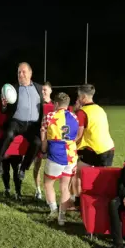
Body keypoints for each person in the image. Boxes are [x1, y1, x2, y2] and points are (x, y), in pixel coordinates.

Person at [0, 62, 44, 181]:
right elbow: (3, 109)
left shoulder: (39, 88)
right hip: (16, 122)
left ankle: (23, 167)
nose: (21, 74)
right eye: (19, 72)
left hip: (32, 125)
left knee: (37, 142)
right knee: (8, 134)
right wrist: (4, 105)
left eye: (23, 72)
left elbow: (46, 104)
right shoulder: (12, 89)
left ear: (30, 73)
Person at [71, 84, 115, 209]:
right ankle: (103, 206)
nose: (78, 98)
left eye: (79, 96)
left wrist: (68, 144)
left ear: (84, 97)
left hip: (95, 150)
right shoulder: (100, 109)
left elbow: (78, 135)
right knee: (103, 180)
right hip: (108, 148)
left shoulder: (83, 112)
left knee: (76, 173)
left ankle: (79, 202)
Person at [41, 92, 79, 225]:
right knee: (65, 187)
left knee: (48, 183)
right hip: (71, 155)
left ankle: (53, 210)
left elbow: (44, 137)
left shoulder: (50, 116)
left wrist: (43, 150)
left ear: (56, 104)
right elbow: (77, 135)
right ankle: (62, 218)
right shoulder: (75, 117)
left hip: (56, 155)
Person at [33, 81, 53, 200]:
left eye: (45, 89)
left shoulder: (55, 106)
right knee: (37, 166)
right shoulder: (37, 105)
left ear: (50, 90)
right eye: (42, 90)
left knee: (51, 168)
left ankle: (49, 193)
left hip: (51, 141)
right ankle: (38, 190)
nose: (43, 92)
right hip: (39, 140)